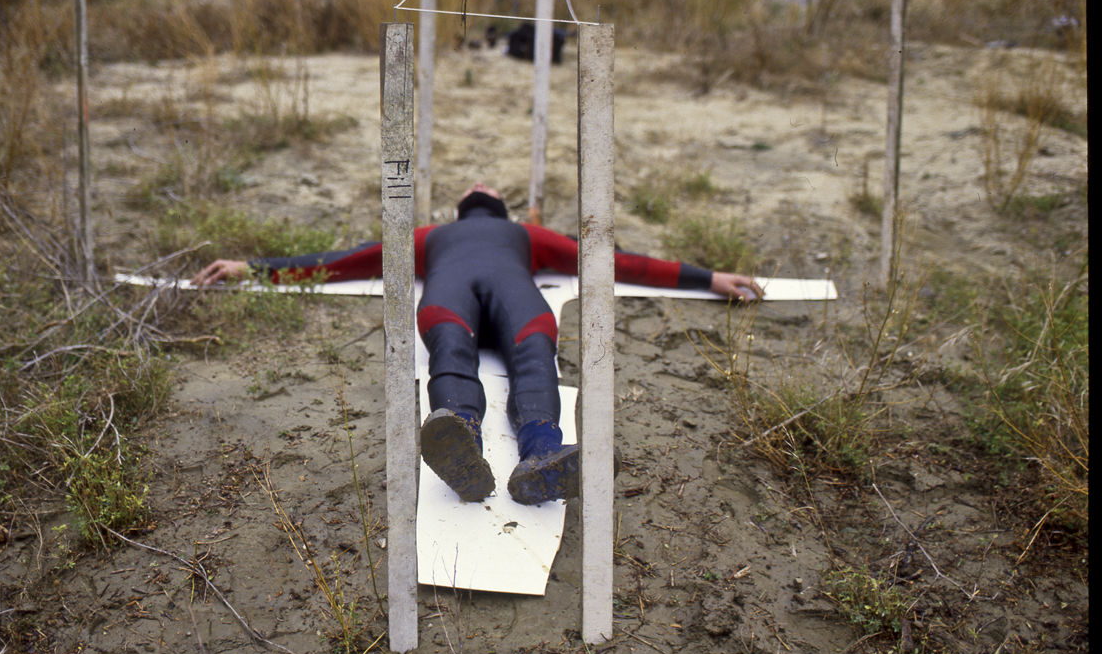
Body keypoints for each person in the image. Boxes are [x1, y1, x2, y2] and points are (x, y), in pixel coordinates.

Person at [192, 182, 763, 505]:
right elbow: (618, 261)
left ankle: (460, 428)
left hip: (448, 295)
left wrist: (253, 267)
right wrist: (708, 277)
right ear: (497, 209)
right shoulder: (527, 234)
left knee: (451, 348)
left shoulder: (430, 235)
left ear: (463, 209)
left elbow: (341, 263)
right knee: (533, 354)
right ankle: (540, 449)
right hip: (517, 296)